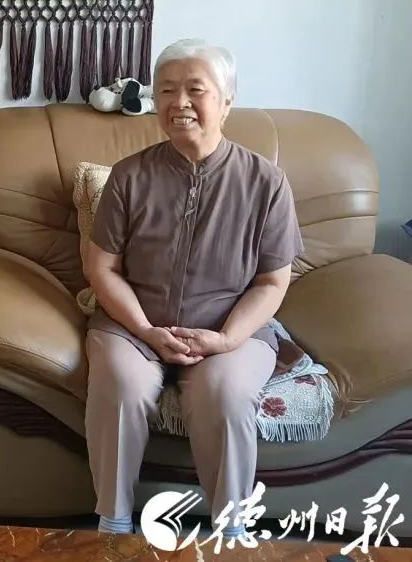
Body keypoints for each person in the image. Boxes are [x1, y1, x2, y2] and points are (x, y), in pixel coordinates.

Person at [84, 39, 304, 539]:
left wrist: (226, 339)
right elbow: (103, 268)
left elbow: (273, 280)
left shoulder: (266, 183)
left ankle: (231, 530)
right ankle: (113, 522)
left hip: (230, 330)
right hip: (132, 325)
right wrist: (145, 328)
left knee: (225, 394)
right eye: (166, 90)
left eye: (194, 90)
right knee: (121, 383)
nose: (178, 102)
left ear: (226, 102)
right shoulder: (129, 176)